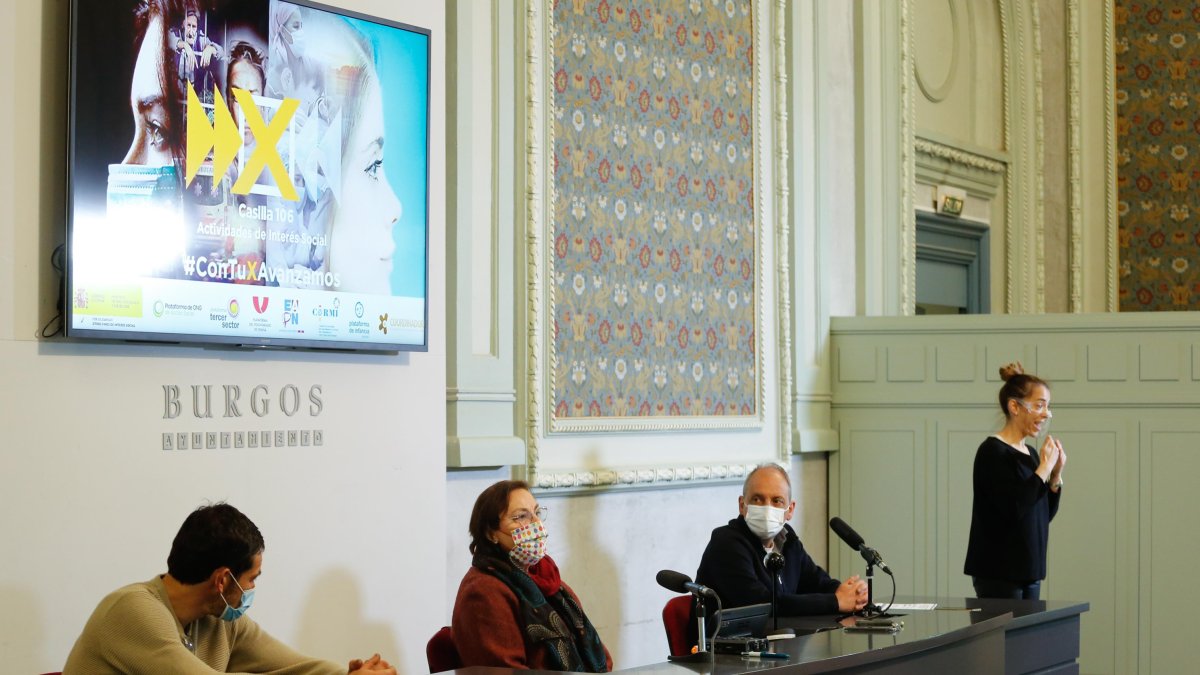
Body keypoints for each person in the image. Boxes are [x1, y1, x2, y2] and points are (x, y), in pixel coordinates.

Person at [63, 503, 396, 674]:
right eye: (252, 578)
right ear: (222, 581)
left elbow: (292, 666)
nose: (252, 588)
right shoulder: (132, 611)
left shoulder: (220, 619)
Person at [451, 480, 612, 671]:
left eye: (537, 513)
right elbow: (504, 670)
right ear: (491, 533)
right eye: (521, 517)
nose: (536, 523)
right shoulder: (483, 592)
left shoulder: (549, 580)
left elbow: (603, 659)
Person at [695, 463, 868, 616]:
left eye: (777, 501)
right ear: (742, 505)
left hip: (779, 642)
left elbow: (816, 581)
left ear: (790, 509)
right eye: (757, 499)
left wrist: (849, 593)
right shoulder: (726, 543)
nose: (767, 508)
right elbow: (761, 604)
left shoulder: (787, 539)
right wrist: (836, 601)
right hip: (724, 648)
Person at [964, 362, 1066, 600]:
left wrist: (1055, 475)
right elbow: (1012, 509)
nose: (1046, 414)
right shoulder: (992, 452)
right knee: (1003, 638)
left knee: (1029, 638)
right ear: (1015, 407)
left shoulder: (1030, 454)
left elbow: (1041, 515)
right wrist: (1043, 469)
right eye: (1039, 405)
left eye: (1047, 406)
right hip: (999, 573)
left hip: (1029, 571)